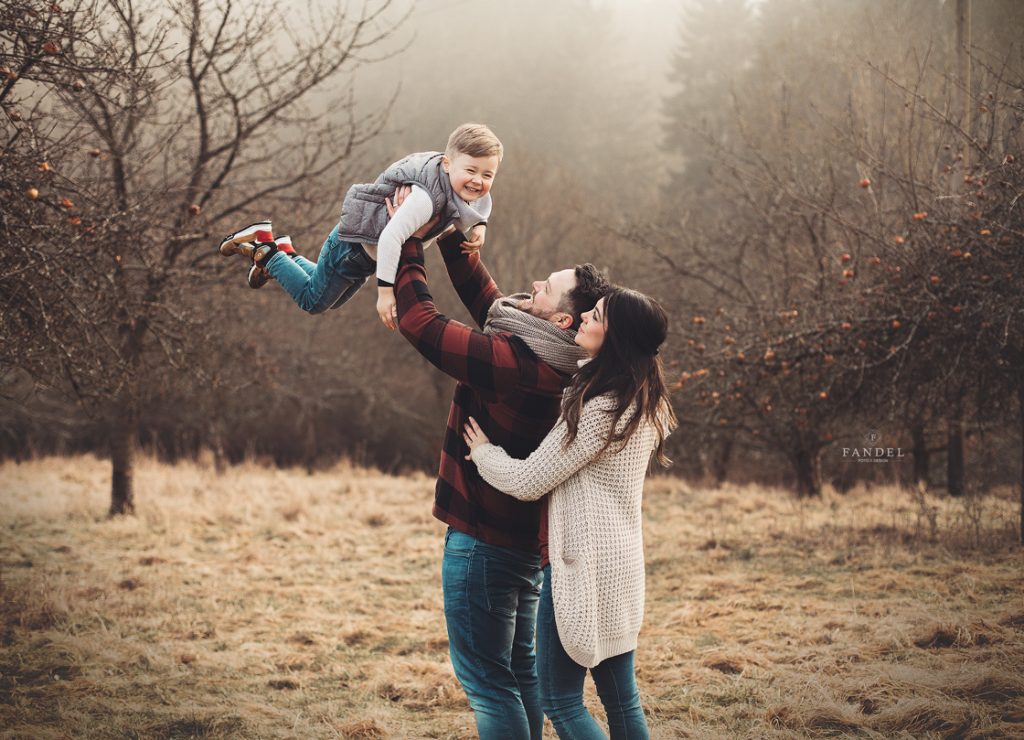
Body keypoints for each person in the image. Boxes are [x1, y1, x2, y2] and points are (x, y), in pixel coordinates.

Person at [387, 186, 609, 740]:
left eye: (548, 287)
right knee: (519, 677)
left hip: (482, 544)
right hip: (523, 549)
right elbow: (492, 304)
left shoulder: (515, 364)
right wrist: (451, 235)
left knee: (489, 684)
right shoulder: (559, 361)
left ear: (561, 321)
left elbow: (424, 326)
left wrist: (406, 245)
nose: (535, 284)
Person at [462, 286, 676, 740]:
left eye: (595, 316)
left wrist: (483, 452)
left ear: (615, 338)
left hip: (582, 569)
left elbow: (527, 481)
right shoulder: (640, 399)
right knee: (622, 700)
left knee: (561, 701)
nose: (583, 319)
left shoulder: (601, 407)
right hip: (618, 565)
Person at [217, 123, 502, 329]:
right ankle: (268, 250)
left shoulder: (456, 183)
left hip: (363, 255)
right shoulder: (424, 200)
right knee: (312, 301)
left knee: (331, 298)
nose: (478, 181)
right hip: (352, 248)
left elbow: (481, 200)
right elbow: (391, 238)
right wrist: (385, 293)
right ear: (448, 164)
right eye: (471, 171)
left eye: (487, 174)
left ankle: (285, 253)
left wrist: (480, 226)